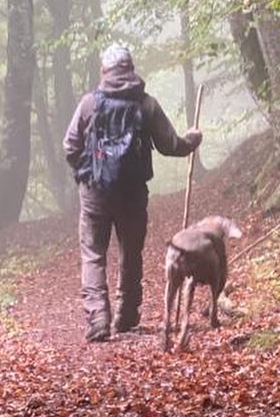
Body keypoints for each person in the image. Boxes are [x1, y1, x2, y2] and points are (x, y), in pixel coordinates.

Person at [64, 45, 202, 342]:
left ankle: (98, 317)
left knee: (93, 255)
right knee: (130, 254)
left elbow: (70, 146)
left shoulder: (89, 104)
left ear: (104, 71)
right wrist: (191, 140)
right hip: (133, 193)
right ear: (131, 68)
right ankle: (126, 315)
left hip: (95, 193)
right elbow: (170, 145)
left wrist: (85, 174)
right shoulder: (146, 104)